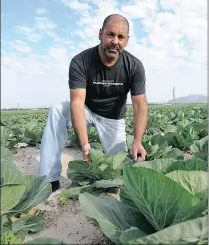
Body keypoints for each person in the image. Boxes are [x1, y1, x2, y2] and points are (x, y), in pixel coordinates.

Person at [39, 14, 148, 192]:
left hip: (113, 118)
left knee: (117, 174)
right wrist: (84, 144)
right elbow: (77, 102)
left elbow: (140, 105)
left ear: (127, 40)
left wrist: (137, 140)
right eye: (110, 34)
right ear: (100, 34)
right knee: (57, 109)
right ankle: (49, 180)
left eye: (120, 37)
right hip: (86, 109)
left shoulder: (134, 66)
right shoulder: (81, 61)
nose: (115, 41)